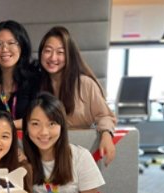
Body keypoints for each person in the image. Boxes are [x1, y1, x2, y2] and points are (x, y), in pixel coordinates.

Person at [37, 26, 117, 166]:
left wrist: (106, 135)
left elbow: (105, 116)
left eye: (60, 52)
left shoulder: (85, 84)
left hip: (79, 154)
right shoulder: (36, 84)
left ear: (69, 55)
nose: (53, 57)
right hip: (44, 155)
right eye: (48, 51)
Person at [22, 92, 105, 193]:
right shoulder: (24, 161)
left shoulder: (81, 157)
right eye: (35, 124)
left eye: (51, 124)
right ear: (26, 127)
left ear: (62, 126)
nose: (44, 132)